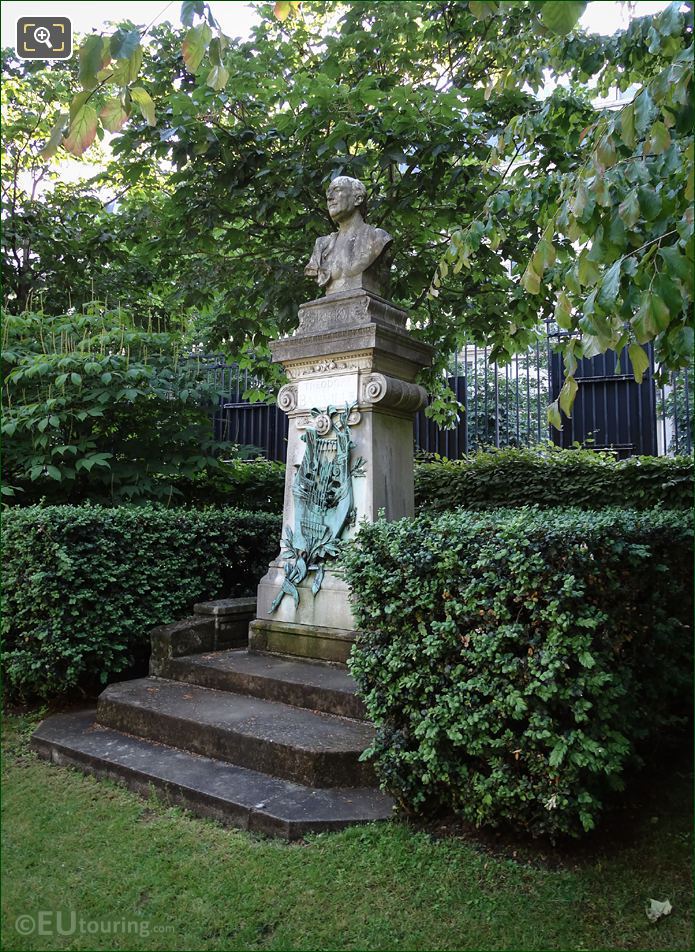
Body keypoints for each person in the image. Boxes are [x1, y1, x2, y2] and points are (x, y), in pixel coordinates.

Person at [305, 176, 393, 296]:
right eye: (328, 193)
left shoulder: (377, 237)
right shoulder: (321, 245)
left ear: (358, 198)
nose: (329, 197)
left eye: (337, 190)